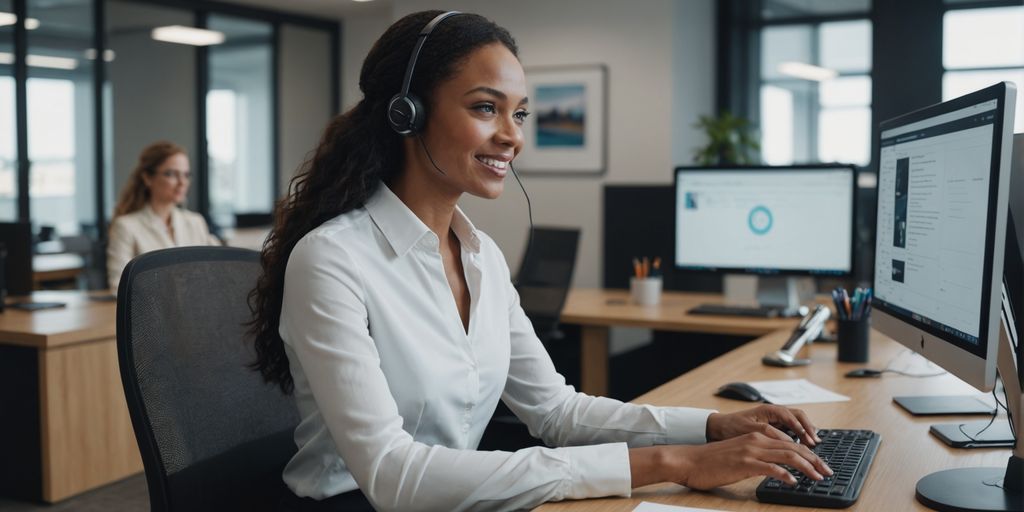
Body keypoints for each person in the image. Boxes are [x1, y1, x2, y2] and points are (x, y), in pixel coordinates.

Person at [248, 11, 832, 512]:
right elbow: (393, 475)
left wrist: (710, 427)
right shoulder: (332, 260)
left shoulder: (482, 258)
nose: (512, 137)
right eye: (486, 108)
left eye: (520, 114)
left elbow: (556, 410)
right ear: (407, 114)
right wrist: (673, 462)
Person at [107, 141, 220, 291]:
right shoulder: (126, 226)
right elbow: (118, 285)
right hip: (150, 312)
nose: (182, 182)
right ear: (147, 178)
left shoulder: (195, 222)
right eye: (171, 174)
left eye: (186, 175)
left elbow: (219, 271)